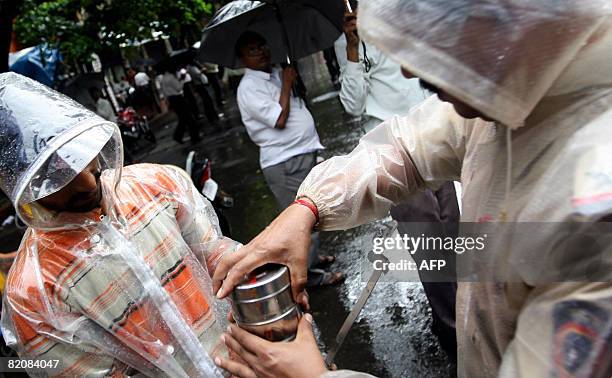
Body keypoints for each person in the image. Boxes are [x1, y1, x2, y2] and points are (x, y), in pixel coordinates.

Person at [212, 1, 612, 377]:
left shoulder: (597, 217)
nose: (407, 71)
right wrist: (306, 209)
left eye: (436, 34)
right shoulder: (512, 85)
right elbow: (406, 147)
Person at [0, 72, 237, 377]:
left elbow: (220, 260)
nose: (86, 181)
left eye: (75, 155)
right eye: (54, 175)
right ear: (22, 183)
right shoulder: (33, 295)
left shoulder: (158, 184)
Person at [338, 2, 461, 359]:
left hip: (432, 132)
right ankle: (452, 328)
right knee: (428, 240)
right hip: (390, 148)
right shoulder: (350, 36)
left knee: (453, 231)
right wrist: (351, 48)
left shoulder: (404, 13)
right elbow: (352, 104)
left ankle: (462, 313)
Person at [235, 31, 343, 287]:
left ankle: (312, 261)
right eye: (253, 50)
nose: (261, 51)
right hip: (284, 162)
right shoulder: (248, 87)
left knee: (314, 214)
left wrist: (290, 79)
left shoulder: (274, 72)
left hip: (300, 153)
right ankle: (309, 277)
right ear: (242, 59)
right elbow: (279, 120)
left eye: (262, 45)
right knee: (300, 222)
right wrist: (286, 83)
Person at [160, 67, 201, 144]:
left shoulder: (163, 78)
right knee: (188, 118)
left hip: (172, 99)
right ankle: (194, 137)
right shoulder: (171, 77)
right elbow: (179, 88)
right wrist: (182, 79)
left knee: (183, 118)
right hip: (178, 99)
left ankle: (178, 136)